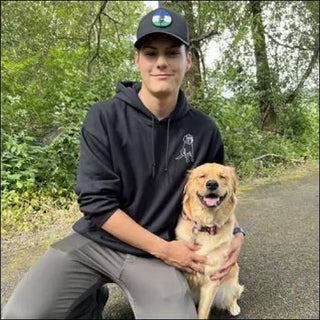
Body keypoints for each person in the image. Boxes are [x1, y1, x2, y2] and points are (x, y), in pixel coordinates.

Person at [2, 7, 245, 319]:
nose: (161, 62)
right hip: (95, 243)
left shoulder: (204, 130)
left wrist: (236, 231)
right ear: (137, 60)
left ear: (188, 60)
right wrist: (165, 249)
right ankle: (88, 299)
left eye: (172, 52)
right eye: (150, 52)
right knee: (19, 316)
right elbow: (96, 203)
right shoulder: (103, 117)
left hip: (155, 257)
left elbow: (216, 195)